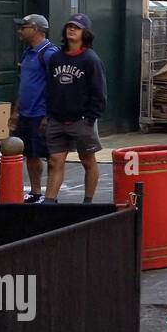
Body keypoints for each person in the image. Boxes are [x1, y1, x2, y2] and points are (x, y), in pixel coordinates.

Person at [43, 14, 107, 204]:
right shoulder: (55, 58)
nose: (71, 29)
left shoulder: (90, 59)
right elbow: (50, 87)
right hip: (57, 119)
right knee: (55, 161)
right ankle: (50, 201)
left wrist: (91, 117)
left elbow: (99, 91)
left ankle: (87, 201)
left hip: (81, 120)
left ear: (85, 33)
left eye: (77, 28)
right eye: (69, 26)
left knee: (87, 160)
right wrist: (48, 114)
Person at [9, 14, 58, 204]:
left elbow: (56, 86)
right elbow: (24, 84)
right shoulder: (27, 53)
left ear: (36, 29)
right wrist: (16, 111)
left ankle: (51, 195)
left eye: (24, 27)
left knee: (48, 155)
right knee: (29, 153)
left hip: (41, 114)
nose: (20, 31)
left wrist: (48, 114)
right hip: (26, 113)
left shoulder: (50, 54)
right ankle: (36, 192)